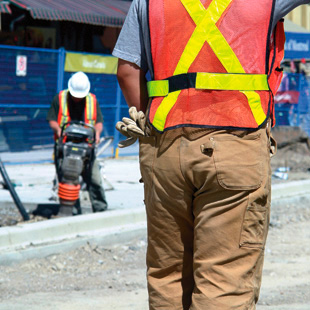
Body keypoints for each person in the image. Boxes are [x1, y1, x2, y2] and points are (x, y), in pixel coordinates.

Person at [113, 0, 310, 309]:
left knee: (168, 276)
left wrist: (151, 125)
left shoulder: (147, 2)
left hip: (164, 146)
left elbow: (127, 71)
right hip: (237, 143)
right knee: (224, 282)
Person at [47, 71, 108, 213]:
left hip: (87, 146)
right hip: (65, 146)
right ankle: (72, 209)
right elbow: (52, 119)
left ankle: (100, 210)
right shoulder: (60, 98)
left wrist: (97, 133)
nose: (77, 99)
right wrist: (58, 130)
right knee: (68, 178)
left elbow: (98, 122)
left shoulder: (92, 100)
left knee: (94, 180)